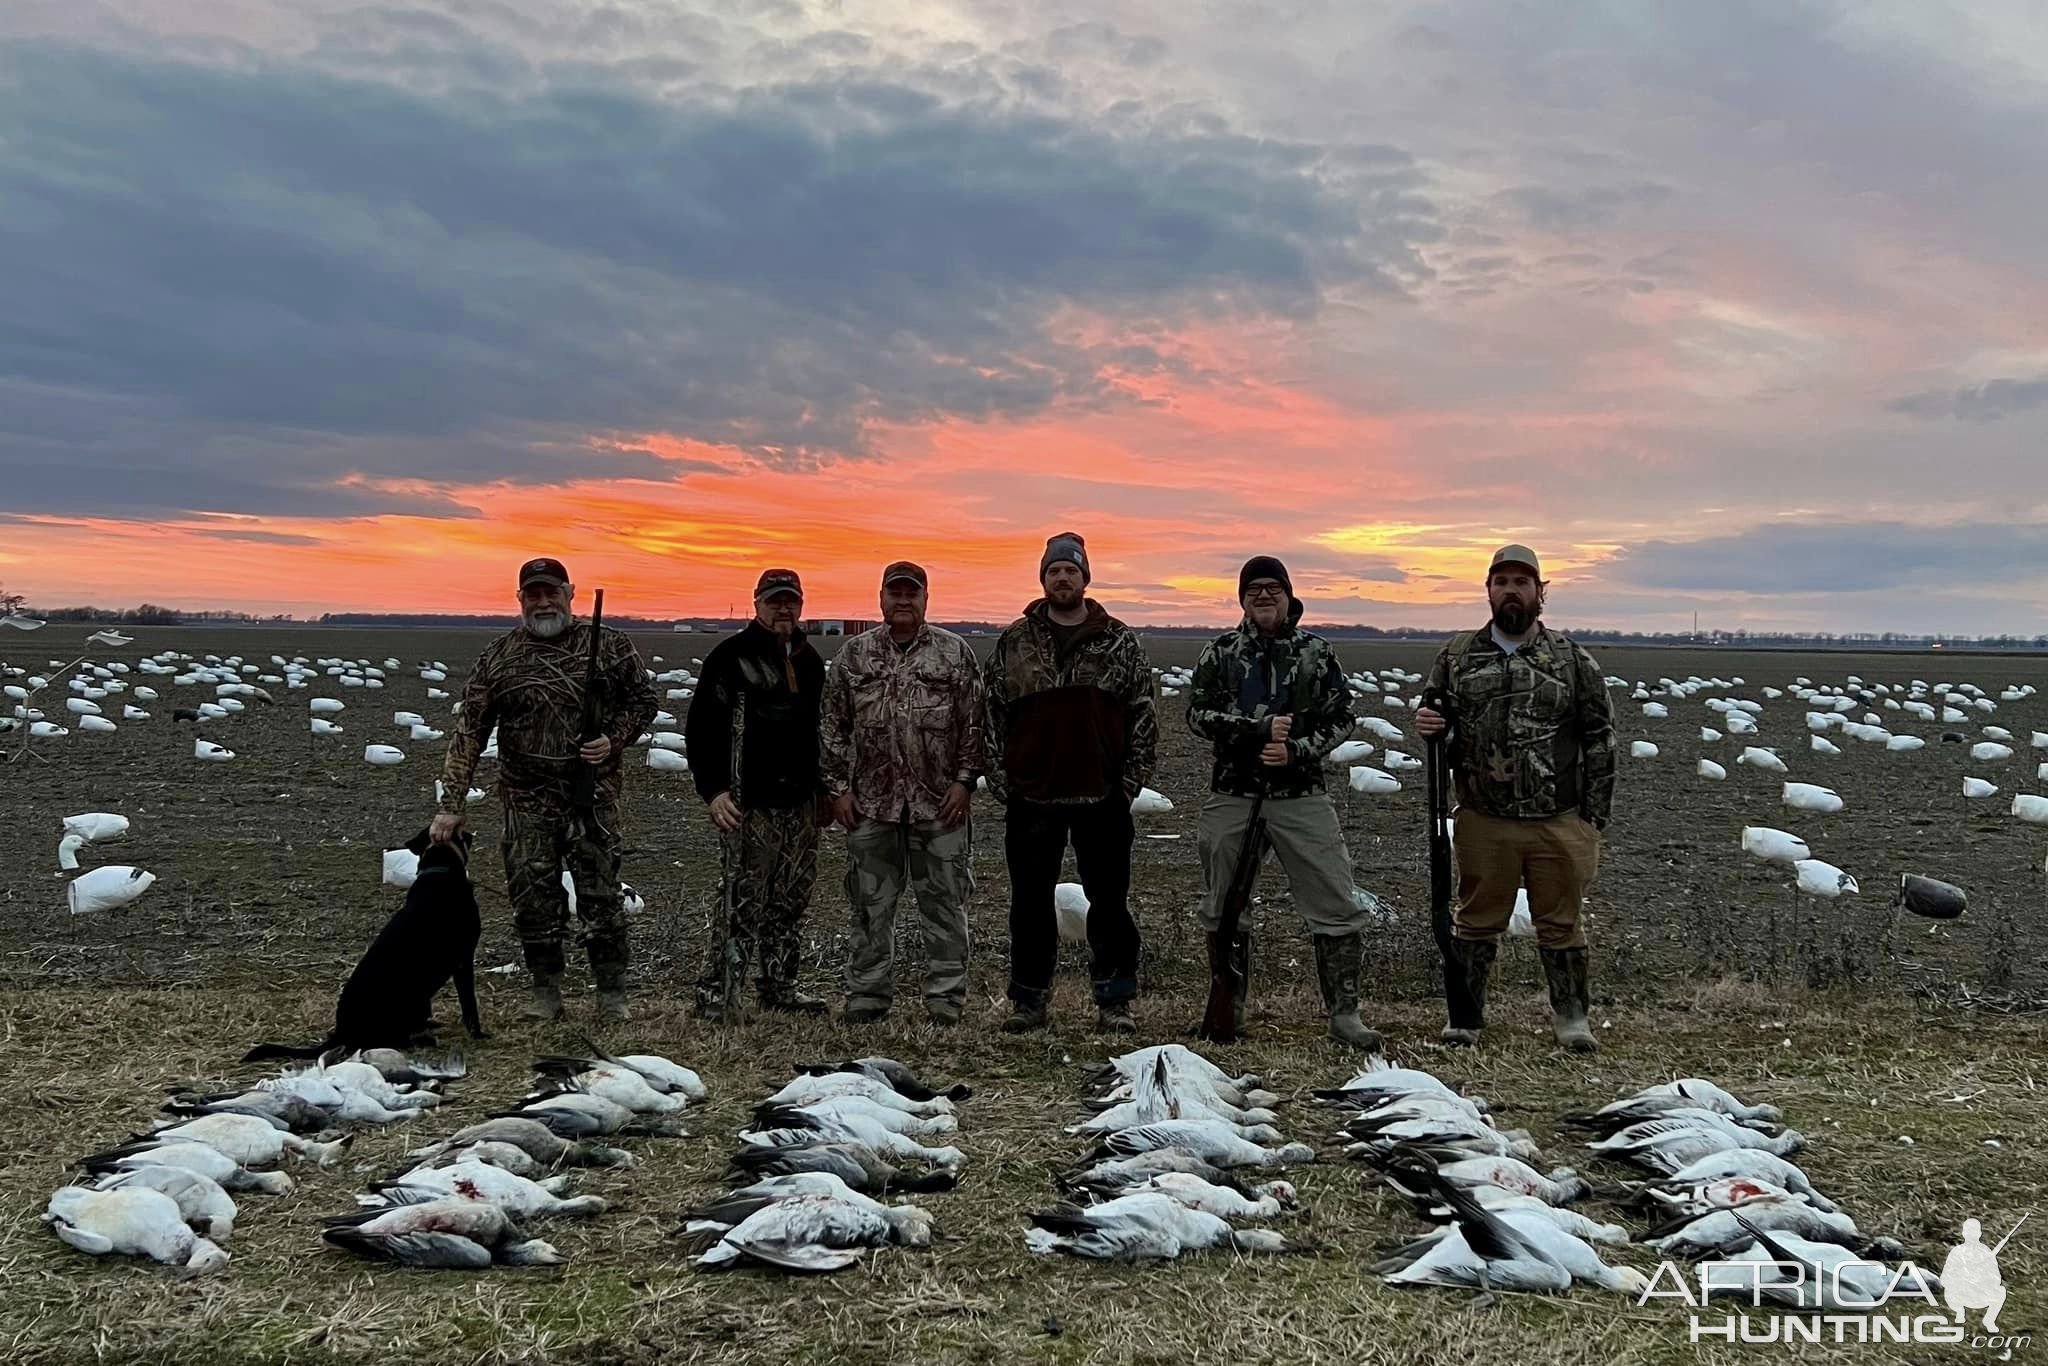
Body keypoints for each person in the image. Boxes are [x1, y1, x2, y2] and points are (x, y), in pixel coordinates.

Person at [432, 556, 658, 1022]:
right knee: (533, 899)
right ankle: (546, 993)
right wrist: (451, 805)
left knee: (601, 896)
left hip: (592, 800)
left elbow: (643, 702)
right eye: (532, 594)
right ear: (520, 599)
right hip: (524, 801)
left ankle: (611, 996)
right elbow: (469, 731)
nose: (542, 601)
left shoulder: (611, 646)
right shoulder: (499, 656)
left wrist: (611, 739)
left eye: (551, 592)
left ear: (570, 593)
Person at [1415, 544, 1616, 1052]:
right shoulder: (1458, 656)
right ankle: (1466, 1017)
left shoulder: (1572, 659)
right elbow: (1436, 718)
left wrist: (1593, 818)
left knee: (1560, 921)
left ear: (1539, 593)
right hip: (1485, 817)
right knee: (1476, 919)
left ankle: (1572, 1018)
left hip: (1559, 818)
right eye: (1501, 581)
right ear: (1488, 591)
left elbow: (1600, 739)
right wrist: (1428, 725)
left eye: (1521, 582)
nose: (1511, 590)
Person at [1187, 556, 1379, 1049]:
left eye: (1274, 588)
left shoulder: (1316, 652)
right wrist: (1253, 733)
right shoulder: (1221, 652)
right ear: (1242, 599)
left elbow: (1343, 719)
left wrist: (1297, 751)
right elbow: (1196, 715)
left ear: (1290, 595)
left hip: (1301, 796)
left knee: (1336, 900)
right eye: (1254, 589)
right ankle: (1230, 1006)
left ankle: (1344, 1014)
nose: (1264, 596)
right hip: (1233, 793)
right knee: (1223, 905)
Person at [984, 531, 1157, 1034]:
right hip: (1032, 797)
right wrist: (1004, 782)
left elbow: (1143, 716)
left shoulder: (1119, 640)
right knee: (1030, 903)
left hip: (1100, 796)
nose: (1063, 578)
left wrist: (1125, 786)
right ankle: (1029, 1001)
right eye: (1054, 570)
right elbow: (991, 714)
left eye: (1072, 570)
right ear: (1043, 578)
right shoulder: (1015, 640)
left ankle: (1114, 1002)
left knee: (1109, 902)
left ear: (1085, 578)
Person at [821, 562, 986, 1026]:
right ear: (880, 598)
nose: (903, 601)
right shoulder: (855, 657)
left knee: (946, 908)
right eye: (895, 593)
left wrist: (964, 781)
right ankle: (868, 997)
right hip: (873, 806)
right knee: (870, 908)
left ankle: (945, 1001)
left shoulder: (955, 654)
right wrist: (837, 789)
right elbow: (832, 727)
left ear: (926, 598)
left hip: (940, 805)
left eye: (912, 593)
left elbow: (974, 724)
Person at [685, 568, 831, 1020]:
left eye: (790, 600)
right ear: (756, 604)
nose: (783, 608)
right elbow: (701, 731)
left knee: (790, 899)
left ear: (801, 604)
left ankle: (779, 988)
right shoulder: (729, 657)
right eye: (774, 600)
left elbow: (822, 732)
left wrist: (823, 790)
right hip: (751, 804)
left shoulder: (808, 660)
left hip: (801, 803)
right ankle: (718, 994)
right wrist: (714, 792)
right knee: (741, 900)